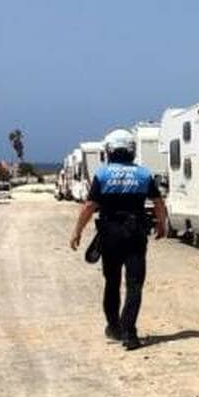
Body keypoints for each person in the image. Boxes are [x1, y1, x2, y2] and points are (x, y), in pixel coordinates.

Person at [70, 128, 166, 350]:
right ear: (132, 151)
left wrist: (77, 231)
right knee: (135, 285)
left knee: (111, 283)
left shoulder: (102, 175)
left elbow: (90, 206)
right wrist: (161, 224)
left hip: (110, 234)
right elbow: (158, 202)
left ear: (110, 151)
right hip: (136, 234)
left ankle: (114, 327)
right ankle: (129, 332)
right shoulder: (143, 174)